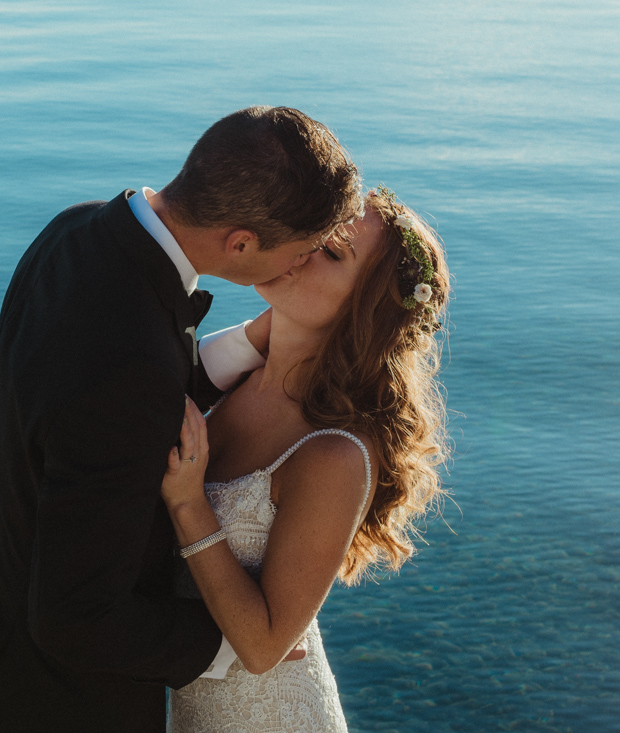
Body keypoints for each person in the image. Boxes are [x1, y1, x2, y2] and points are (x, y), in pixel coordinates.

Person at [0, 106, 363, 733]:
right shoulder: (129, 364)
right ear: (240, 242)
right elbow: (75, 618)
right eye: (297, 254)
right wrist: (223, 648)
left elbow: (108, 398)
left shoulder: (75, 232)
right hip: (49, 703)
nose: (297, 267)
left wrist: (254, 342)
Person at [161, 187, 450, 732]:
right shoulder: (236, 380)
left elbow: (266, 645)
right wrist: (262, 334)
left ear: (364, 309)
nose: (301, 250)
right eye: (317, 234)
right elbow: (168, 381)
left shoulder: (334, 453)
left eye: (332, 253)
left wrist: (186, 504)